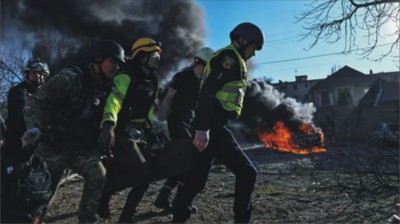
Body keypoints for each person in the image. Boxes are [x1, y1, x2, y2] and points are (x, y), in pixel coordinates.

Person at [21, 40, 125, 223]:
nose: (116, 67)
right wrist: (35, 128)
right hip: (52, 144)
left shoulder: (105, 87)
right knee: (42, 193)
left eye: (119, 64)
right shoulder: (70, 77)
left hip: (78, 146)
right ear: (98, 59)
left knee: (97, 174)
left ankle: (87, 218)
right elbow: (35, 102)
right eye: (113, 61)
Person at [172, 22, 264, 223]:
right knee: (247, 173)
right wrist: (203, 129)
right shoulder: (228, 58)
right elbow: (207, 93)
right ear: (242, 40)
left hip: (212, 125)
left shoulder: (231, 58)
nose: (254, 54)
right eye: (253, 48)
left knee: (196, 181)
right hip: (213, 125)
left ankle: (178, 217)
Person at [96, 37, 162, 223]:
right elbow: (114, 100)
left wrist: (150, 128)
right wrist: (109, 124)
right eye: (154, 54)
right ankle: (125, 217)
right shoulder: (126, 76)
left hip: (140, 132)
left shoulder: (153, 80)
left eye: (158, 55)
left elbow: (149, 107)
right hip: (121, 132)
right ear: (141, 55)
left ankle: (103, 199)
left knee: (123, 173)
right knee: (144, 173)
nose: (158, 58)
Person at [154, 47, 215, 211]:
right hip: (176, 122)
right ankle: (177, 202)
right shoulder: (182, 77)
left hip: (191, 122)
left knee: (185, 162)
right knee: (188, 158)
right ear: (203, 63)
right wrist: (159, 122)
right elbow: (167, 99)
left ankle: (166, 198)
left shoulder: (204, 82)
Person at [1, 58, 50, 223]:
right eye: (36, 73)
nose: (39, 77)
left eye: (43, 75)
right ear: (28, 73)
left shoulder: (46, 94)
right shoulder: (17, 91)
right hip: (17, 147)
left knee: (39, 186)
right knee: (14, 186)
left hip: (37, 149)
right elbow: (21, 117)